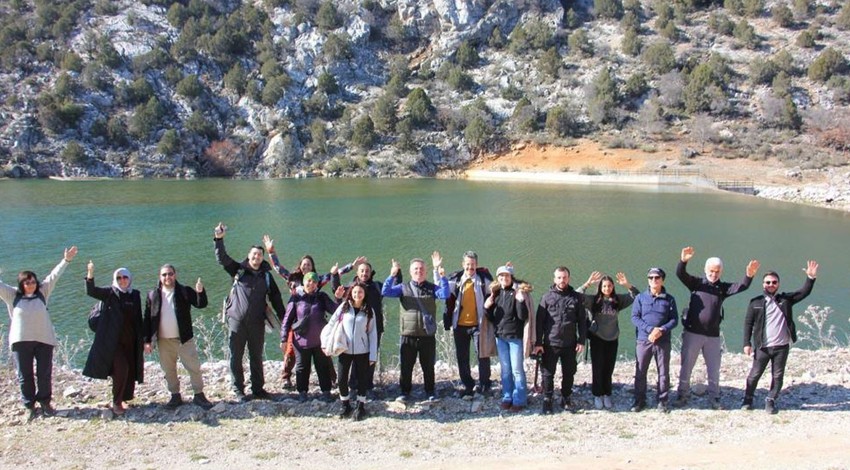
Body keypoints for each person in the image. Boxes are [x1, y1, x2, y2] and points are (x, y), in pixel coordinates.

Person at [263, 234, 361, 389]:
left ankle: (332, 377)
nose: (306, 267)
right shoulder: (293, 279)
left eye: (309, 265)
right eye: (304, 264)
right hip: (298, 317)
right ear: (300, 266)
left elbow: (333, 274)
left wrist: (351, 266)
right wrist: (271, 252)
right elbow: (277, 268)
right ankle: (286, 377)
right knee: (291, 349)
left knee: (323, 349)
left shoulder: (316, 280)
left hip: (315, 319)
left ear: (312, 268)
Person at [674, 246, 760, 409]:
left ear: (721, 272)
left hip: (713, 336)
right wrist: (683, 261)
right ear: (706, 270)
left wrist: (749, 275)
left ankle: (714, 398)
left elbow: (742, 286)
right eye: (711, 271)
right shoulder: (696, 283)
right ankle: (682, 395)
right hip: (693, 333)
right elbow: (680, 274)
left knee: (714, 369)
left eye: (717, 271)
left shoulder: (722, 288)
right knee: (686, 366)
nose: (714, 274)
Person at [1, 246, 77, 419]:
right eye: (27, 282)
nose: (31, 285)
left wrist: (66, 260)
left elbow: (54, 276)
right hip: (21, 342)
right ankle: (29, 406)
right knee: (24, 375)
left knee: (44, 373)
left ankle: (45, 403)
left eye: (33, 281)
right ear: (21, 284)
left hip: (44, 340)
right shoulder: (12, 295)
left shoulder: (43, 291)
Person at [214, 223, 286, 402]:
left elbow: (276, 298)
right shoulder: (238, 270)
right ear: (249, 256)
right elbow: (222, 258)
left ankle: (258, 389)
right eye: (254, 254)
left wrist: (285, 319)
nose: (257, 257)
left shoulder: (267, 276)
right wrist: (219, 239)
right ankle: (238, 389)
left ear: (262, 258)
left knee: (256, 356)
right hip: (236, 320)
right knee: (236, 356)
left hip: (256, 322)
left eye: (260, 255)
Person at [742, 261, 818, 414]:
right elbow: (748, 324)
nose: (771, 284)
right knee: (754, 375)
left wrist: (810, 277)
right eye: (768, 282)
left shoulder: (786, 300)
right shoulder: (755, 302)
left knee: (777, 376)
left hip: (781, 347)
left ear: (778, 284)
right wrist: (746, 343)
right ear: (763, 284)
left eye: (774, 282)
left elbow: (804, 292)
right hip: (762, 346)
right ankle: (748, 398)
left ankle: (770, 400)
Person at [143, 264, 213, 410]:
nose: (167, 277)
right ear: (160, 277)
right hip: (163, 341)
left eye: (170, 274)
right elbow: (147, 319)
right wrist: (147, 340)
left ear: (175, 275)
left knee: (194, 367)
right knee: (169, 370)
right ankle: (175, 396)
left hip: (184, 339)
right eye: (164, 275)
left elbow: (201, 304)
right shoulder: (152, 295)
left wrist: (200, 292)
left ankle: (199, 395)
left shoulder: (184, 291)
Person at [382, 256, 450, 402]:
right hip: (408, 334)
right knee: (406, 366)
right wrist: (393, 274)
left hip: (427, 335)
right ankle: (405, 392)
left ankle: (430, 392)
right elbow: (385, 291)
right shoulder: (403, 288)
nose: (419, 271)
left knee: (428, 366)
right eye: (416, 269)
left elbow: (445, 294)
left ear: (426, 272)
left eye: (421, 269)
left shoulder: (432, 288)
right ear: (410, 271)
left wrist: (441, 275)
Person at [83, 261, 144, 416]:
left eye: (125, 277)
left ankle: (124, 398)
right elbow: (91, 291)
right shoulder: (110, 293)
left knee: (130, 370)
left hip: (131, 340)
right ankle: (116, 402)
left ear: (130, 279)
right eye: (119, 278)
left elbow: (138, 318)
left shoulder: (134, 294)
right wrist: (90, 273)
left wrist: (144, 339)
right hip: (113, 342)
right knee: (121, 369)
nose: (122, 280)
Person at [434, 250, 495, 399]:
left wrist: (509, 275)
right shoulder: (456, 280)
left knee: (483, 355)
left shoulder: (482, 281)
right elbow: (440, 288)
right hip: (459, 325)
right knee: (462, 357)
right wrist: (437, 269)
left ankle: (484, 384)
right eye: (467, 264)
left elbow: (497, 288)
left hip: (478, 325)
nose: (470, 267)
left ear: (477, 265)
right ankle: (468, 385)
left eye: (473, 264)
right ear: (463, 264)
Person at [576, 271, 639, 410]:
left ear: (613, 287)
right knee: (598, 367)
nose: (607, 289)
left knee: (609, 368)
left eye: (609, 286)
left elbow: (637, 296)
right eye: (604, 286)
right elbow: (577, 295)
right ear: (600, 287)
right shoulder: (594, 301)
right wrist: (587, 283)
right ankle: (597, 394)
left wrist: (627, 284)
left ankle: (607, 393)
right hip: (597, 338)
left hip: (613, 338)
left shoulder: (618, 300)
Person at [281, 271, 344, 402]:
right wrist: (283, 339)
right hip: (300, 341)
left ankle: (326, 392)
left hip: (319, 341)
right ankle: (302, 392)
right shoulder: (296, 298)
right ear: (303, 282)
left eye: (314, 281)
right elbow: (287, 319)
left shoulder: (321, 297)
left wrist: (338, 298)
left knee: (323, 366)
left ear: (317, 284)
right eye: (308, 280)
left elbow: (336, 312)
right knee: (302, 367)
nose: (311, 283)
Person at [533, 266, 586, 414]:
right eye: (559, 277)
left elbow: (582, 321)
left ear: (568, 278)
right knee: (548, 373)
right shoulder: (546, 297)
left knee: (569, 372)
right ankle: (547, 399)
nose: (562, 280)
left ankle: (566, 397)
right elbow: (539, 322)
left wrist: (581, 340)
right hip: (550, 343)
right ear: (554, 279)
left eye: (564, 277)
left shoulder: (576, 297)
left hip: (570, 343)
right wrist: (538, 343)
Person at [332, 260, 384, 396]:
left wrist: (397, 274)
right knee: (352, 356)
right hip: (354, 328)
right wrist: (334, 276)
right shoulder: (351, 287)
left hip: (374, 328)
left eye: (367, 271)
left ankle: (367, 386)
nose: (364, 273)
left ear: (370, 273)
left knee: (370, 356)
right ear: (357, 272)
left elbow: (392, 287)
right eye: (362, 270)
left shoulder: (377, 286)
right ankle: (353, 385)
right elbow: (337, 291)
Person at [328, 282, 378, 420]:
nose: (357, 294)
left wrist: (373, 355)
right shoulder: (344, 307)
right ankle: (345, 405)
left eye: (360, 292)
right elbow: (332, 323)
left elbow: (372, 334)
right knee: (342, 379)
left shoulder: (368, 310)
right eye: (355, 292)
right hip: (345, 349)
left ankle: (361, 406)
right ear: (351, 293)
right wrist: (326, 343)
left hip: (363, 351)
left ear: (364, 294)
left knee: (362, 379)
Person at [631, 267, 678, 413]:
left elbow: (675, 320)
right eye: (650, 278)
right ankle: (640, 400)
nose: (653, 280)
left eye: (657, 278)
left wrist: (661, 330)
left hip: (662, 341)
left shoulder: (669, 299)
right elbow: (635, 317)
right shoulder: (640, 298)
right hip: (644, 340)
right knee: (640, 371)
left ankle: (662, 401)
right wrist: (650, 330)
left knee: (663, 372)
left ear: (662, 280)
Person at [484, 265, 531, 412]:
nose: (504, 278)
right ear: (498, 278)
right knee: (505, 370)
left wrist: (521, 302)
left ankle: (520, 399)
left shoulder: (517, 292)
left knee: (517, 369)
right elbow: (491, 318)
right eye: (501, 276)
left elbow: (523, 317)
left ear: (511, 277)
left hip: (515, 337)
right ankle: (507, 396)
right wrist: (487, 307)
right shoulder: (495, 294)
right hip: (500, 337)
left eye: (507, 276)